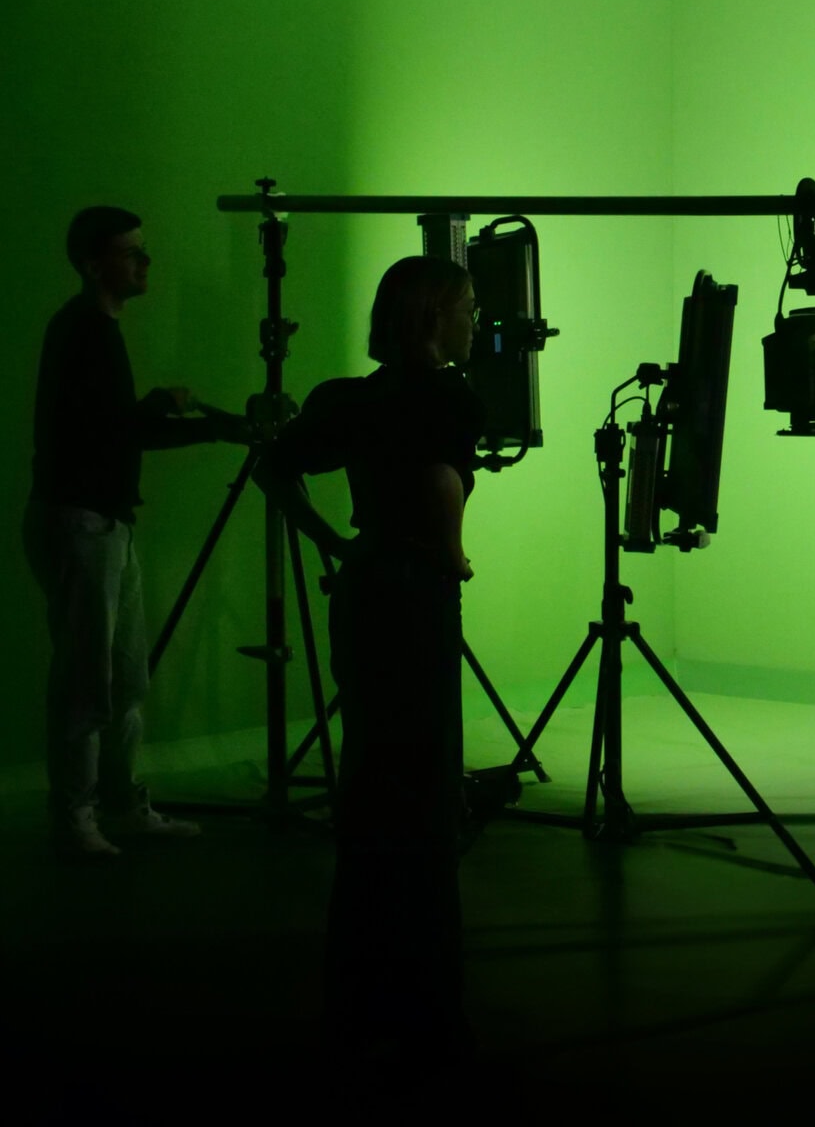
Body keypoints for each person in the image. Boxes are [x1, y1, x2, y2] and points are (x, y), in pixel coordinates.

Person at [256, 254, 482, 1072]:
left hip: (363, 590)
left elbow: (273, 467)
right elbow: (439, 480)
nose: (474, 322)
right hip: (416, 599)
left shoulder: (346, 398)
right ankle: (428, 1015)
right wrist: (454, 554)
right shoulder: (449, 396)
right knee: (425, 803)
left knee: (370, 789)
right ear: (433, 317)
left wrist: (336, 546)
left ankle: (355, 1001)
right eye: (466, 308)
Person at [26, 205, 248, 859]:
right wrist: (195, 421)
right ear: (96, 263)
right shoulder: (86, 330)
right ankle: (78, 815)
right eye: (132, 252)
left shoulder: (92, 329)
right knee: (88, 680)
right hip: (82, 524)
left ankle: (117, 806)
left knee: (122, 679)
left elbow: (107, 428)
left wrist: (194, 421)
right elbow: (109, 432)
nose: (145, 263)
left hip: (102, 524)